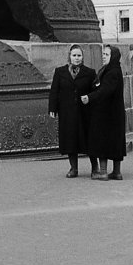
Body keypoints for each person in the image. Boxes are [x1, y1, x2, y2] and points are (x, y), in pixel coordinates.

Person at [48, 44, 98, 178]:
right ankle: (73, 168)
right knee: (70, 139)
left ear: (83, 57)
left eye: (79, 55)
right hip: (67, 111)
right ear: (69, 56)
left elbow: (95, 92)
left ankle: (95, 168)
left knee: (88, 139)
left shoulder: (90, 72)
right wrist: (52, 108)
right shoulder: (60, 72)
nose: (76, 58)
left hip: (85, 112)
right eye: (74, 55)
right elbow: (54, 91)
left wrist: (90, 100)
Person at [81, 45, 126, 181]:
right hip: (113, 113)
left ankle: (104, 172)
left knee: (102, 141)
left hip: (106, 113)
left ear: (113, 57)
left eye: (107, 54)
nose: (104, 56)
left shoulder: (112, 72)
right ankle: (116, 172)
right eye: (104, 54)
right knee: (115, 141)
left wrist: (90, 97)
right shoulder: (111, 70)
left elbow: (105, 90)